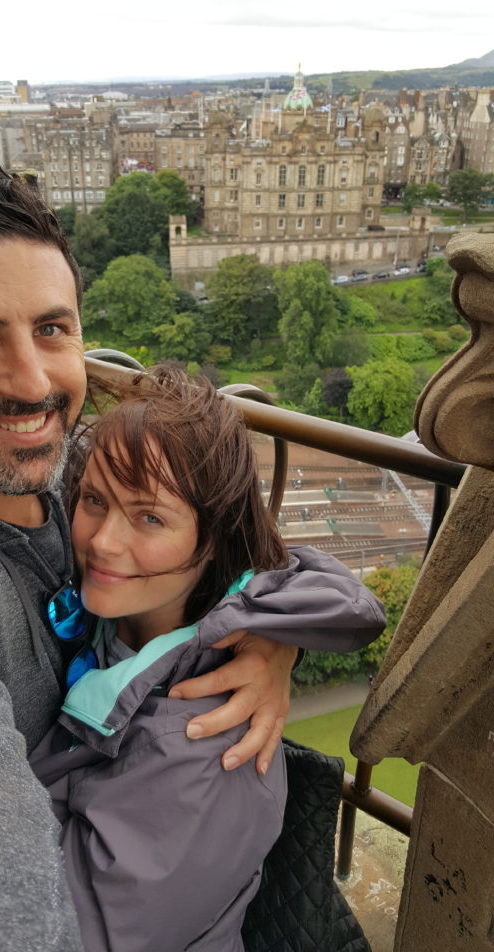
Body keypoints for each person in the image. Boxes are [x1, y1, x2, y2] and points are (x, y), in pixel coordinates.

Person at [0, 165, 297, 952]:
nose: (34, 383)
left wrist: (272, 629)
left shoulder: (66, 471)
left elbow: (256, 543)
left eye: (53, 329)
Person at [30, 368, 386, 952]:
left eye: (150, 518)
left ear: (214, 539)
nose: (102, 542)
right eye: (94, 500)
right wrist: (274, 637)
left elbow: (69, 934)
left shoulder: (203, 744)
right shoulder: (129, 612)